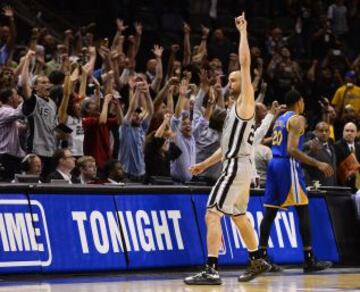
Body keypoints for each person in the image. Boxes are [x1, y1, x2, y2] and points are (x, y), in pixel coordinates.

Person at [184, 13, 271, 285]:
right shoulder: (232, 112)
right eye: (231, 81)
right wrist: (203, 165)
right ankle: (257, 259)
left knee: (212, 213)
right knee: (239, 216)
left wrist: (243, 32)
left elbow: (245, 65)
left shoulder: (245, 105)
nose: (229, 83)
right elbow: (224, 149)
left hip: (236, 167)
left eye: (233, 81)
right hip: (239, 165)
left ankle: (211, 270)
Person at [259, 89, 334, 273]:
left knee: (270, 211)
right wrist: (317, 163)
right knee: (303, 209)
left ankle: (260, 257)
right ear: (299, 102)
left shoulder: (280, 119)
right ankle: (309, 260)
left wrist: (304, 145)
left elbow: (279, 141)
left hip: (274, 165)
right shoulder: (297, 119)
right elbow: (292, 149)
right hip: (287, 165)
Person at [303, 121, 337, 186]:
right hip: (315, 187)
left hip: (330, 187)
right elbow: (301, 162)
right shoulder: (309, 145)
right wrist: (311, 152)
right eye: (321, 131)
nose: (324, 133)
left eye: (326, 131)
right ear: (315, 132)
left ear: (329, 132)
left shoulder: (331, 146)